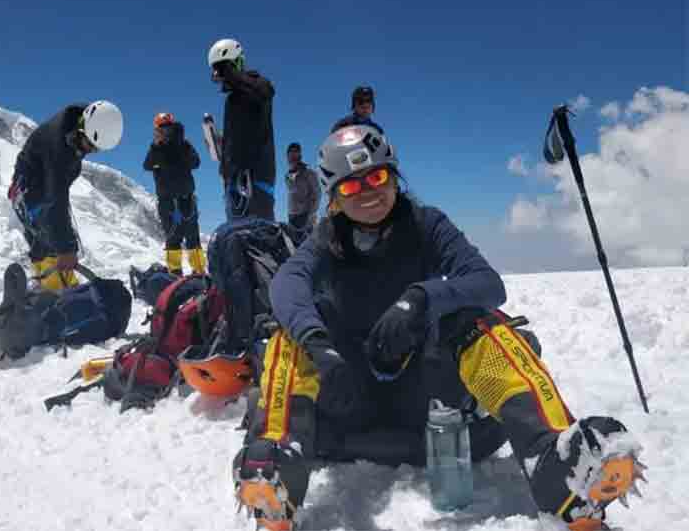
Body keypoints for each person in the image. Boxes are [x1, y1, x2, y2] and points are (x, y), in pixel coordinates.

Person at [232, 125, 644, 531]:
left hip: (428, 403)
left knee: (480, 321)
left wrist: (422, 298)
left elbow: (487, 283)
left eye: (376, 177)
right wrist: (320, 348)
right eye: (351, 187)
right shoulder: (326, 238)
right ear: (335, 196)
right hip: (347, 399)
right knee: (290, 337)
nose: (369, 192)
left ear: (393, 174)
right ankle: (279, 470)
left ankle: (556, 462)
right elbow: (288, 284)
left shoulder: (427, 225)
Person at [8, 100, 123, 292]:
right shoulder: (59, 147)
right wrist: (66, 249)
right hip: (30, 191)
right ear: (83, 127)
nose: (89, 152)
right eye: (89, 145)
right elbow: (55, 200)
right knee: (50, 242)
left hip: (37, 187)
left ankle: (52, 287)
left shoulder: (80, 123)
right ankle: (56, 292)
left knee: (49, 239)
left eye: (95, 149)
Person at [208, 38, 276, 221]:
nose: (217, 75)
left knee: (261, 234)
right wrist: (224, 164)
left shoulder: (259, 84)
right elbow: (233, 138)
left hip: (258, 176)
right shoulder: (231, 101)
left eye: (220, 69)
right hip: (233, 179)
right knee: (237, 236)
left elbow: (265, 93)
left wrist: (233, 75)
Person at [143, 112, 205, 276]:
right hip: (178, 199)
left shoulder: (184, 145)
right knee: (186, 239)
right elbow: (148, 165)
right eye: (161, 129)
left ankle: (178, 275)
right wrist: (156, 146)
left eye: (165, 128)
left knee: (177, 240)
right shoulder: (160, 148)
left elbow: (195, 162)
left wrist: (178, 148)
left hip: (174, 200)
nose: (164, 131)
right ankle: (195, 273)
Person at [284, 142, 320, 240]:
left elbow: (317, 195)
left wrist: (310, 215)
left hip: (306, 216)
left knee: (307, 247)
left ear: (299, 155)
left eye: (295, 153)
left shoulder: (309, 173)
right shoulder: (287, 176)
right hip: (292, 216)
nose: (291, 157)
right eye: (290, 154)